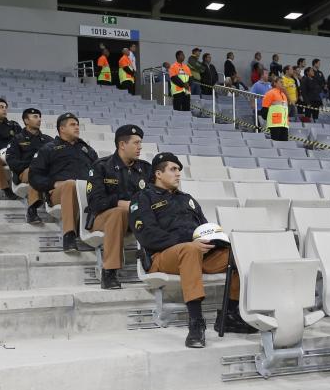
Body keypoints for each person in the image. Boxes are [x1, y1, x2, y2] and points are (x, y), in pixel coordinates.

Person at [129, 153, 247, 348]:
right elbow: (147, 235)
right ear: (158, 173)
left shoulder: (187, 199)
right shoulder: (142, 198)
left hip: (196, 253)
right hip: (161, 256)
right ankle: (196, 322)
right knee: (190, 250)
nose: (178, 174)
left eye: (179, 170)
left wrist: (216, 241)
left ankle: (230, 315)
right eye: (173, 169)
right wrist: (189, 243)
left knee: (237, 255)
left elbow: (204, 227)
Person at [86, 124, 153, 289]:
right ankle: (109, 271)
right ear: (122, 145)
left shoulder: (146, 169)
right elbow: (95, 202)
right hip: (103, 218)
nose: (140, 147)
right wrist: (119, 203)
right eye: (136, 143)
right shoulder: (101, 166)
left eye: (140, 143)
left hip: (135, 218)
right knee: (118, 213)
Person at [29, 113, 98, 251]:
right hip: (58, 193)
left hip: (85, 191)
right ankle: (69, 235)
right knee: (70, 184)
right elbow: (34, 176)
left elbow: (98, 173)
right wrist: (53, 184)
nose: (77, 127)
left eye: (78, 124)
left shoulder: (87, 150)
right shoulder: (48, 149)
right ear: (62, 129)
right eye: (73, 125)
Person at [6, 108, 53, 225]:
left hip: (46, 172)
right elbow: (11, 161)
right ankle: (32, 209)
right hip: (24, 173)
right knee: (35, 171)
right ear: (26, 121)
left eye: (39, 117)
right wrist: (33, 164)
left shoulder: (48, 140)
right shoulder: (17, 139)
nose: (39, 119)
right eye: (35, 117)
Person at [260, 75, 290, 140]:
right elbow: (264, 109)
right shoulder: (270, 93)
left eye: (283, 82)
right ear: (275, 83)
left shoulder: (283, 94)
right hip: (275, 123)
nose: (282, 83)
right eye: (280, 82)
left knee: (284, 144)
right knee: (276, 143)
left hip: (284, 123)